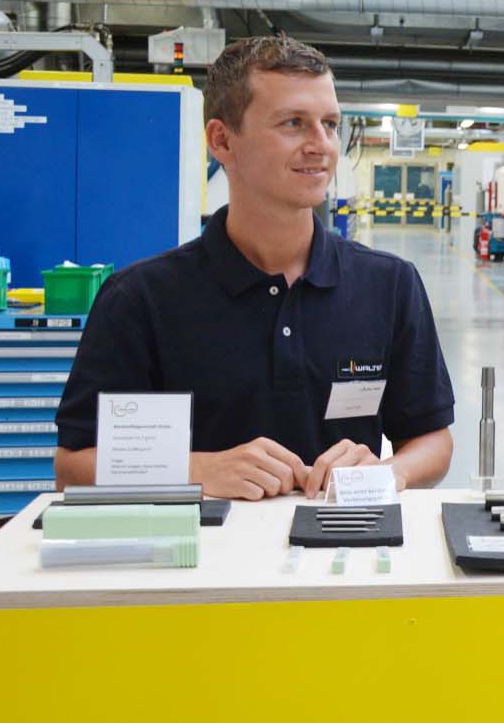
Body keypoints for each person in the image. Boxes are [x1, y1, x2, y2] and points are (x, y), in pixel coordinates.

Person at [55, 36, 455, 499]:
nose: (321, 145)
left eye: (329, 124)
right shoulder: (140, 299)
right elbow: (73, 465)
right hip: (198, 543)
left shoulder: (389, 285)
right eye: (293, 123)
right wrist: (197, 470)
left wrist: (388, 472)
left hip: (341, 542)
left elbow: (432, 440)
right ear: (222, 140)